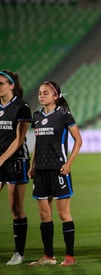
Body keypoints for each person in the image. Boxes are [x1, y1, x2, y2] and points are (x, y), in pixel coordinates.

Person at [28, 81, 82, 266]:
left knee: (63, 214)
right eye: (39, 93)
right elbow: (38, 143)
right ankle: (49, 256)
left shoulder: (64, 115)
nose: (41, 96)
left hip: (59, 170)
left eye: (45, 93)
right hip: (40, 171)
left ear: (56, 96)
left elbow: (78, 140)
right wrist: (32, 164)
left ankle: (70, 257)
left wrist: (69, 163)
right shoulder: (36, 116)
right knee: (44, 215)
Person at [0, 70, 32, 265]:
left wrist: (2, 158)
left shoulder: (22, 106)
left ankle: (19, 253)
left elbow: (20, 139)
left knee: (15, 208)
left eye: (2, 83)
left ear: (12, 86)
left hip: (15, 161)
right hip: (0, 160)